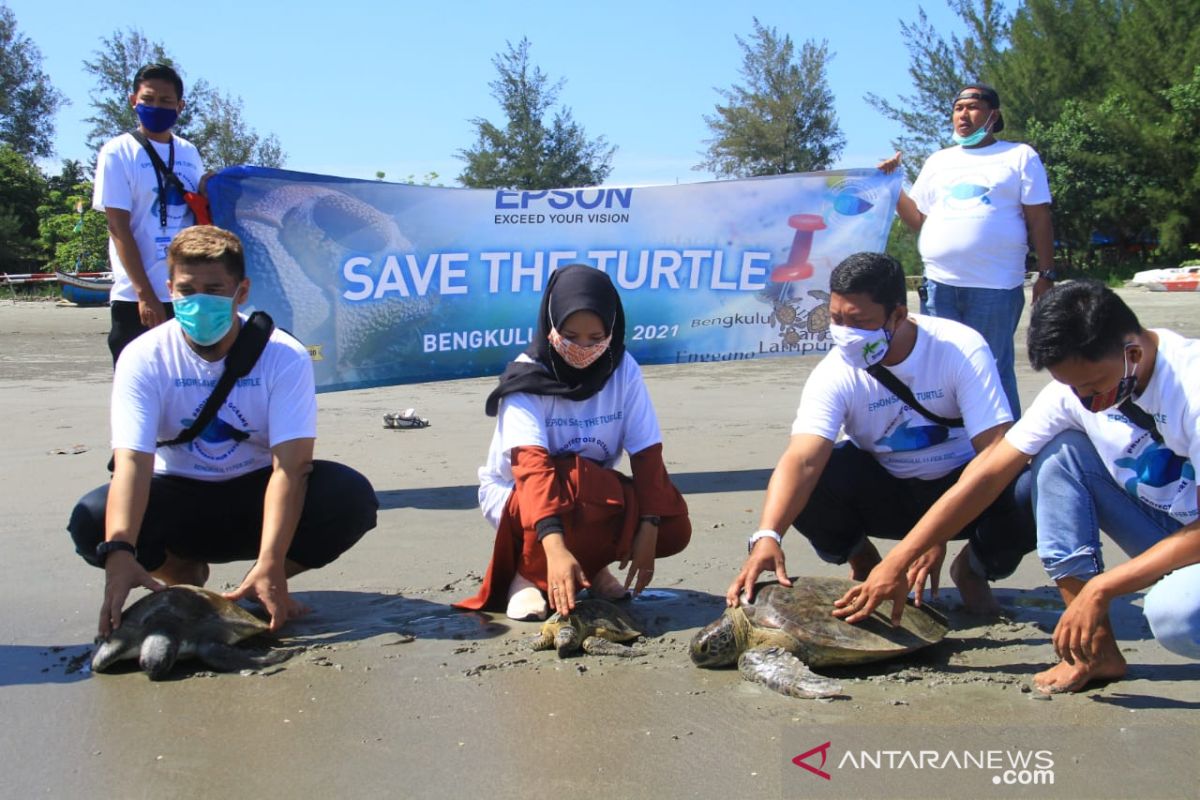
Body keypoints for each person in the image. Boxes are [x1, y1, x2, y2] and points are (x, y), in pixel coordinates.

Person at [838, 280, 1200, 693]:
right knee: (1059, 452)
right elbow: (989, 472)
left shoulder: (1191, 386)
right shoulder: (1072, 394)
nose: (1084, 399)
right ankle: (1095, 651)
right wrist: (898, 560)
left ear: (1132, 354)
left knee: (1177, 615)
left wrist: (1104, 586)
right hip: (1167, 527)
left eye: (1094, 387)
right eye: (1072, 387)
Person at [68, 226, 378, 636]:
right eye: (186, 289)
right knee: (92, 519)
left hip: (255, 492)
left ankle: (261, 582)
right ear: (169, 289)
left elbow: (291, 467)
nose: (199, 301)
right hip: (175, 491)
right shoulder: (143, 357)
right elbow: (132, 463)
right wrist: (120, 552)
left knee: (349, 496)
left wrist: (270, 559)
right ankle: (183, 576)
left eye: (214, 289)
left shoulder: (283, 356)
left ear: (242, 291)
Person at [726, 252, 1035, 613]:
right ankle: (864, 561)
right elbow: (803, 459)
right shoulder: (836, 372)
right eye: (836, 319)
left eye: (860, 322)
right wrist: (768, 535)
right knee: (811, 478)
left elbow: (995, 453)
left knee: (1035, 487)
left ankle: (973, 570)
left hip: (963, 485)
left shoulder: (959, 349)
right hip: (889, 489)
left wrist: (935, 536)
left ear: (898, 315)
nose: (846, 333)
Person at [455, 264, 691, 621]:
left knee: (674, 526)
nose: (582, 348)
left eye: (596, 338)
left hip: (589, 493)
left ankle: (589, 567)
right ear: (551, 325)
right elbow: (531, 468)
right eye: (570, 335)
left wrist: (650, 523)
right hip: (518, 496)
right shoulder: (527, 377)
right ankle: (527, 577)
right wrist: (554, 547)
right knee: (573, 483)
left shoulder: (623, 369)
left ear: (612, 330)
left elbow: (647, 454)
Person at [879, 83, 1055, 418]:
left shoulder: (1019, 155)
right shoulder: (938, 161)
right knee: (942, 369)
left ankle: (1005, 455)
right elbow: (919, 219)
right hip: (939, 285)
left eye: (973, 107)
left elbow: (1039, 217)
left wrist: (1046, 274)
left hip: (996, 285)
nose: (964, 114)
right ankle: (955, 448)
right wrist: (893, 185)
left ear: (994, 115)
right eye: (958, 108)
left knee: (992, 367)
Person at [93, 63, 205, 365]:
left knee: (188, 387)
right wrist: (145, 294)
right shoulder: (118, 151)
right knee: (140, 386)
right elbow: (118, 228)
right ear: (134, 101)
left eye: (166, 101)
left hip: (186, 293)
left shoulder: (188, 152)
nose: (157, 107)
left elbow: (198, 212)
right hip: (137, 297)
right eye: (148, 99)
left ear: (180, 106)